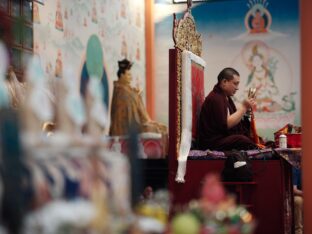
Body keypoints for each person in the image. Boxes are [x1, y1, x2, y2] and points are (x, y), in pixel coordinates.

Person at [197, 67, 257, 151]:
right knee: (242, 140)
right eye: (235, 84)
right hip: (212, 143)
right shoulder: (215, 98)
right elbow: (226, 124)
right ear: (224, 82)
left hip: (221, 139)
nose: (237, 88)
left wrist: (246, 112)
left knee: (248, 138)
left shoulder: (225, 96)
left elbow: (233, 122)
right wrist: (243, 107)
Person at [109, 59, 167, 136]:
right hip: (128, 129)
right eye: (128, 75)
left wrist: (136, 95)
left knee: (162, 128)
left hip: (137, 123)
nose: (131, 78)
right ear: (122, 75)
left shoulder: (130, 90)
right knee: (157, 129)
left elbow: (141, 114)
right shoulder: (120, 91)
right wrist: (135, 95)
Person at [293, 167, 303, 234]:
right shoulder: (297, 170)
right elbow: (294, 189)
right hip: (301, 194)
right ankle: (298, 231)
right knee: (297, 200)